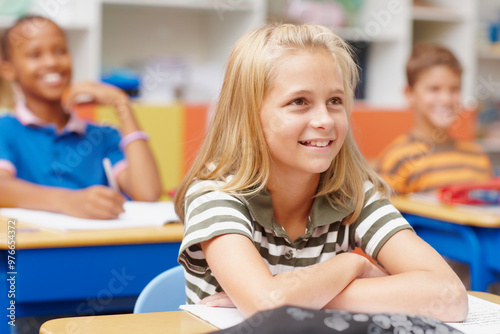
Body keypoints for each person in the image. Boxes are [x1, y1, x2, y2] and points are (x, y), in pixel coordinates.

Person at [174, 24, 468, 322]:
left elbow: (450, 296)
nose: (325, 120)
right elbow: (267, 305)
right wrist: (353, 266)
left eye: (335, 101)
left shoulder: (353, 192)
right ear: (249, 114)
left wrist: (309, 298)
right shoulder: (215, 194)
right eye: (299, 102)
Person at [0, 16, 162, 219]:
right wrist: (68, 201)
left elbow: (147, 193)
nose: (51, 62)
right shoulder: (5, 130)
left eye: (60, 51)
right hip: (31, 249)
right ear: (8, 70)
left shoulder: (103, 135)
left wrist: (122, 104)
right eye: (35, 54)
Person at [376, 43, 493, 194]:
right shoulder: (396, 159)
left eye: (454, 89)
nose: (446, 99)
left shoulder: (478, 157)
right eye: (434, 89)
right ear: (409, 94)